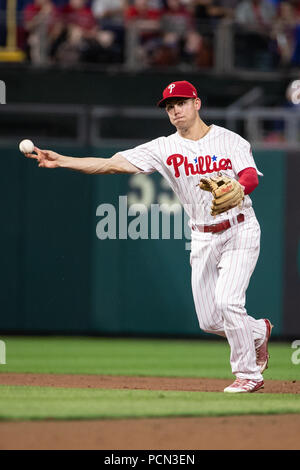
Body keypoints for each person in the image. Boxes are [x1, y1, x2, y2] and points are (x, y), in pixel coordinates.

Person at [23, 80, 273, 393]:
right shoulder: (163, 148)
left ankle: (248, 374)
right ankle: (257, 332)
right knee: (209, 320)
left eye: (181, 103)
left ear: (197, 103)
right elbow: (111, 164)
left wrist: (241, 187)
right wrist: (61, 160)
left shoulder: (228, 139)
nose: (175, 110)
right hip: (202, 237)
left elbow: (248, 174)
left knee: (227, 301)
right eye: (169, 106)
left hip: (239, 228)